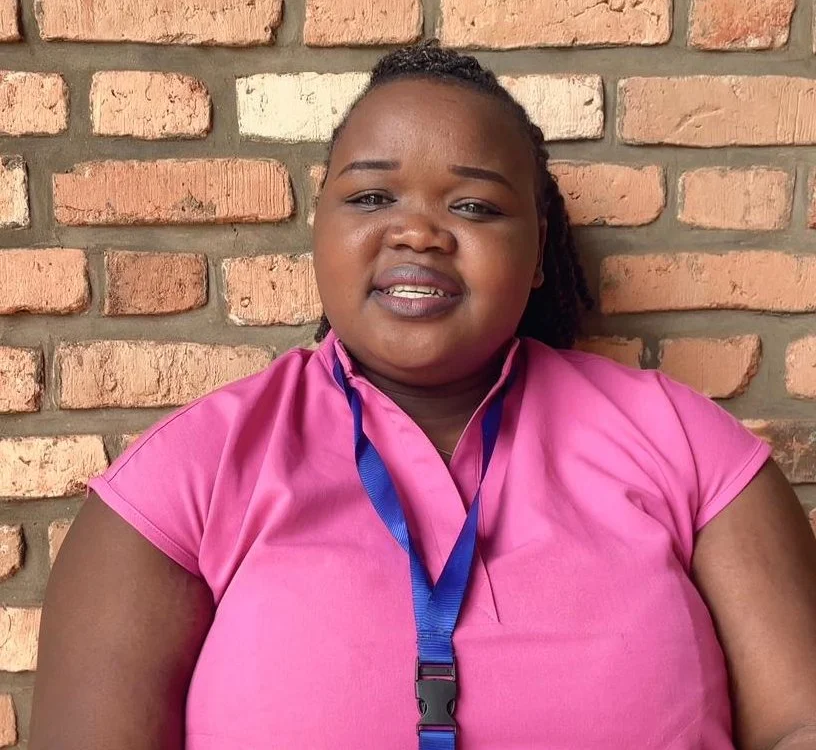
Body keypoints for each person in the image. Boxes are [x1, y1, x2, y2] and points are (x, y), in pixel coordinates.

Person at [29, 41, 816, 750]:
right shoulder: (188, 475)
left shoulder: (686, 445)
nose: (420, 233)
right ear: (319, 229)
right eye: (372, 199)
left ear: (539, 251)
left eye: (473, 206)